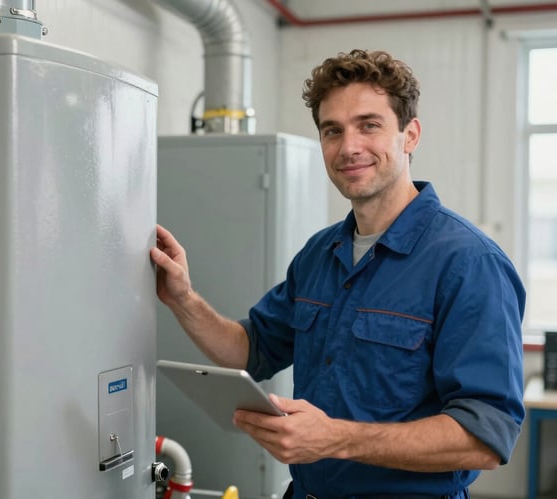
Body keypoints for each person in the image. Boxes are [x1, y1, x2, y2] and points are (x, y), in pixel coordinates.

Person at [150, 49, 525, 499]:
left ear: (410, 135)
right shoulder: (320, 253)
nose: (349, 147)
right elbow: (249, 351)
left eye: (369, 125)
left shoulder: (469, 263)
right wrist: (183, 298)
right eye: (333, 130)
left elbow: (485, 437)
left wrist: (335, 439)